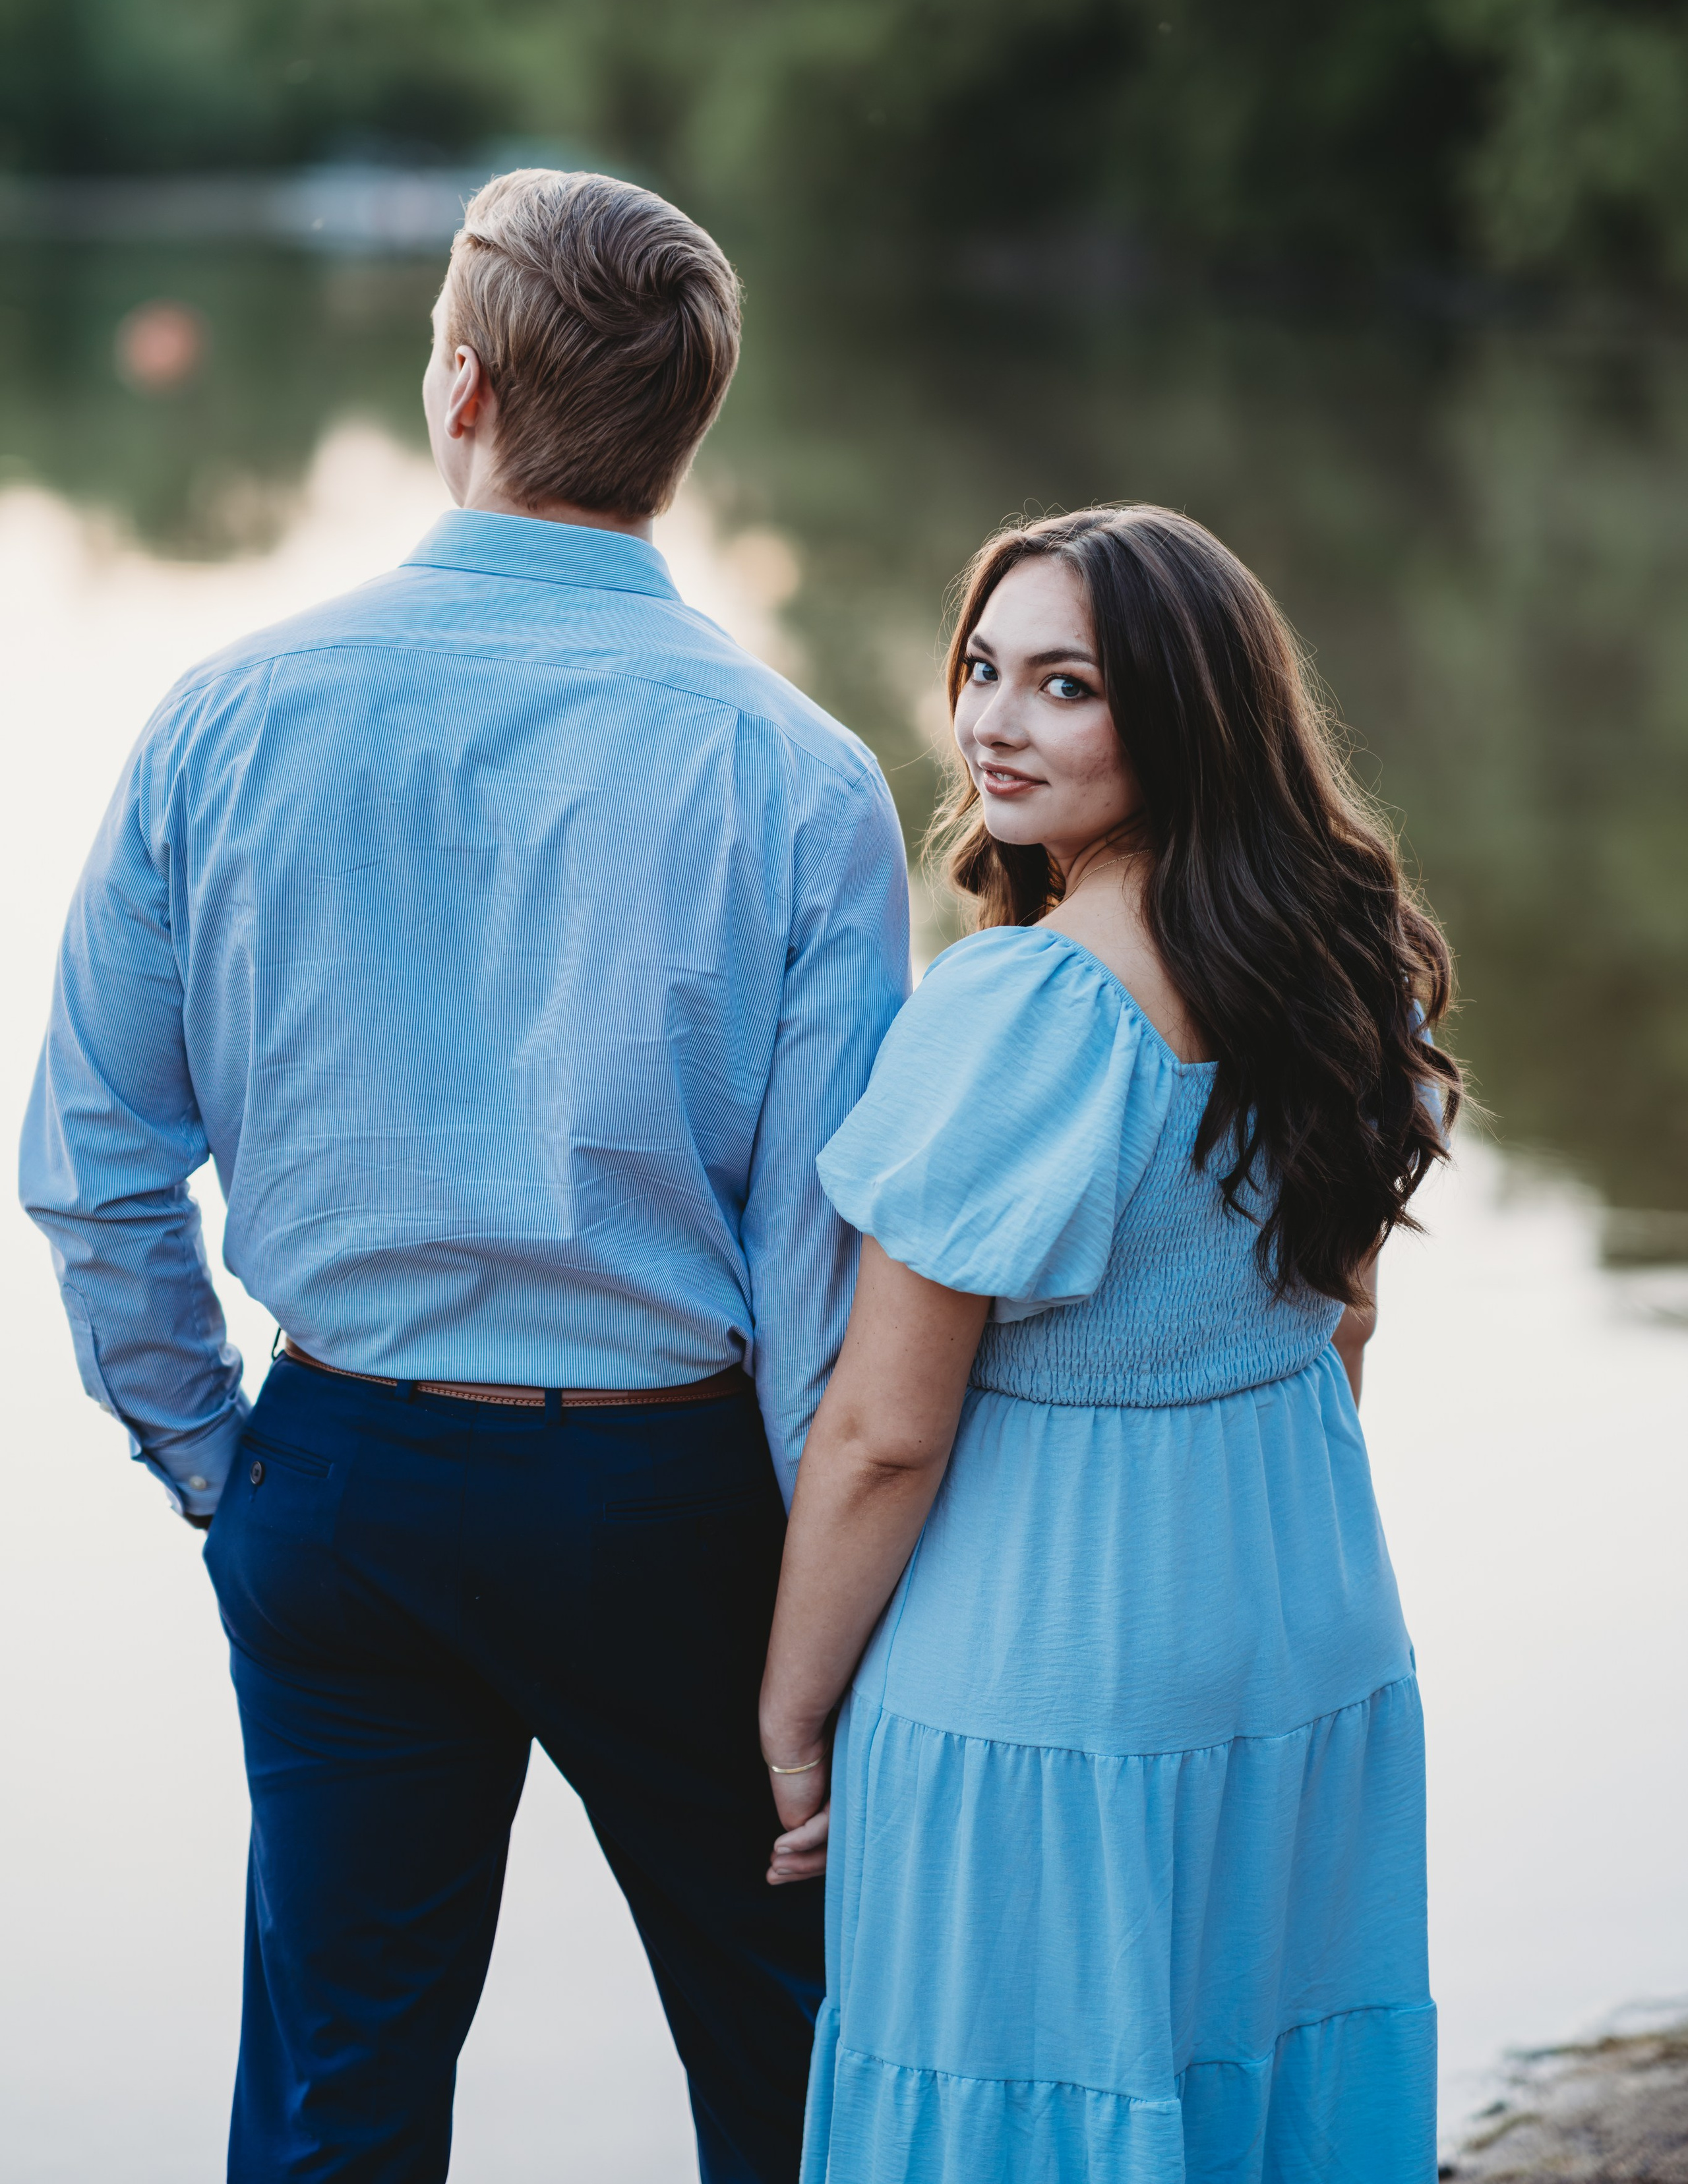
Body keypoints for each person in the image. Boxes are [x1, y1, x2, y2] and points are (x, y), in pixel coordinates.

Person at [19, 168, 910, 2184]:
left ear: (465, 391)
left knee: (343, 2096)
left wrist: (213, 1458)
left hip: (345, 1479)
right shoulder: (798, 777)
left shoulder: (226, 718)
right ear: (686, 437)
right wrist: (820, 1623)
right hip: (679, 1506)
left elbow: (91, 1167)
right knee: (796, 2066)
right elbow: (824, 1261)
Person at [758, 506, 1461, 2183]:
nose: (994, 723)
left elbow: (883, 1433)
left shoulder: (1024, 1017)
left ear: (1185, 710)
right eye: (983, 671)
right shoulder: (1347, 971)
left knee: (1019, 2117)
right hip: (1303, 1627)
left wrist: (796, 1711)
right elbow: (1340, 1319)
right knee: (1256, 2081)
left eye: (1062, 685)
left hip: (1042, 1671)